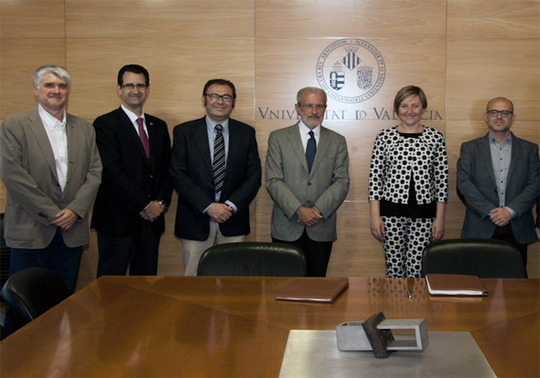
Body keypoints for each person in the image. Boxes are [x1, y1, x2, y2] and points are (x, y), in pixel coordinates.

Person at [0, 65, 102, 332]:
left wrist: (76, 211)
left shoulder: (84, 128)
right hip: (31, 229)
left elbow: (94, 172)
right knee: (22, 303)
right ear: (36, 90)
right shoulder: (14, 125)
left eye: (62, 85)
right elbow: (12, 175)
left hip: (71, 229)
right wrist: (53, 213)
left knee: (61, 300)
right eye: (49, 85)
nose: (56, 90)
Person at [169, 79, 261, 276]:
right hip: (196, 219)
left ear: (233, 101)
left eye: (226, 97)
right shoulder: (184, 132)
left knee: (233, 282)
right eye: (214, 96)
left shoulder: (246, 133)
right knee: (194, 282)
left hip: (232, 218)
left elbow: (254, 176)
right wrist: (208, 206)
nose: (220, 101)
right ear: (204, 99)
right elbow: (178, 174)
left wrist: (230, 206)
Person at [91, 64, 172, 277]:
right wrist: (145, 204)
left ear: (148, 89)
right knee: (111, 286)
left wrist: (160, 204)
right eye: (129, 85)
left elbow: (166, 171)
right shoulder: (105, 124)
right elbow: (111, 172)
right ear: (119, 89)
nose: (135, 90)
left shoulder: (159, 126)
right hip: (117, 220)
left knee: (145, 287)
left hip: (151, 222)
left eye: (140, 85)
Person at [265, 87, 349, 277]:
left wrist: (316, 210)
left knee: (316, 285)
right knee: (284, 286)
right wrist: (299, 209)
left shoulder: (337, 141)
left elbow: (341, 181)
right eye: (308, 105)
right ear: (297, 107)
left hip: (321, 226)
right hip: (287, 225)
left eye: (319, 106)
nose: (314, 111)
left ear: (325, 108)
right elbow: (273, 180)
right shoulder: (278, 138)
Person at [369, 85, 448, 278]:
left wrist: (439, 218)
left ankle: (416, 308)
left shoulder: (435, 137)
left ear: (423, 108)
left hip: (424, 213)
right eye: (404, 106)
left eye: (415, 105)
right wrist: (375, 216)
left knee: (417, 270)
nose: (410, 111)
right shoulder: (384, 137)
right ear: (397, 109)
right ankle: (395, 308)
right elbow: (375, 179)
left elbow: (442, 182)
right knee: (394, 269)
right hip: (390, 212)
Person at [457, 97, 540, 267]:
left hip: (516, 225)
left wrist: (509, 211)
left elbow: (534, 184)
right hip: (481, 225)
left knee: (514, 285)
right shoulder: (470, 148)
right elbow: (464, 184)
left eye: (505, 112)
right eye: (494, 112)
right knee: (478, 284)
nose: (499, 116)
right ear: (486, 116)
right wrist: (492, 212)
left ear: (513, 117)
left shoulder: (529, 149)